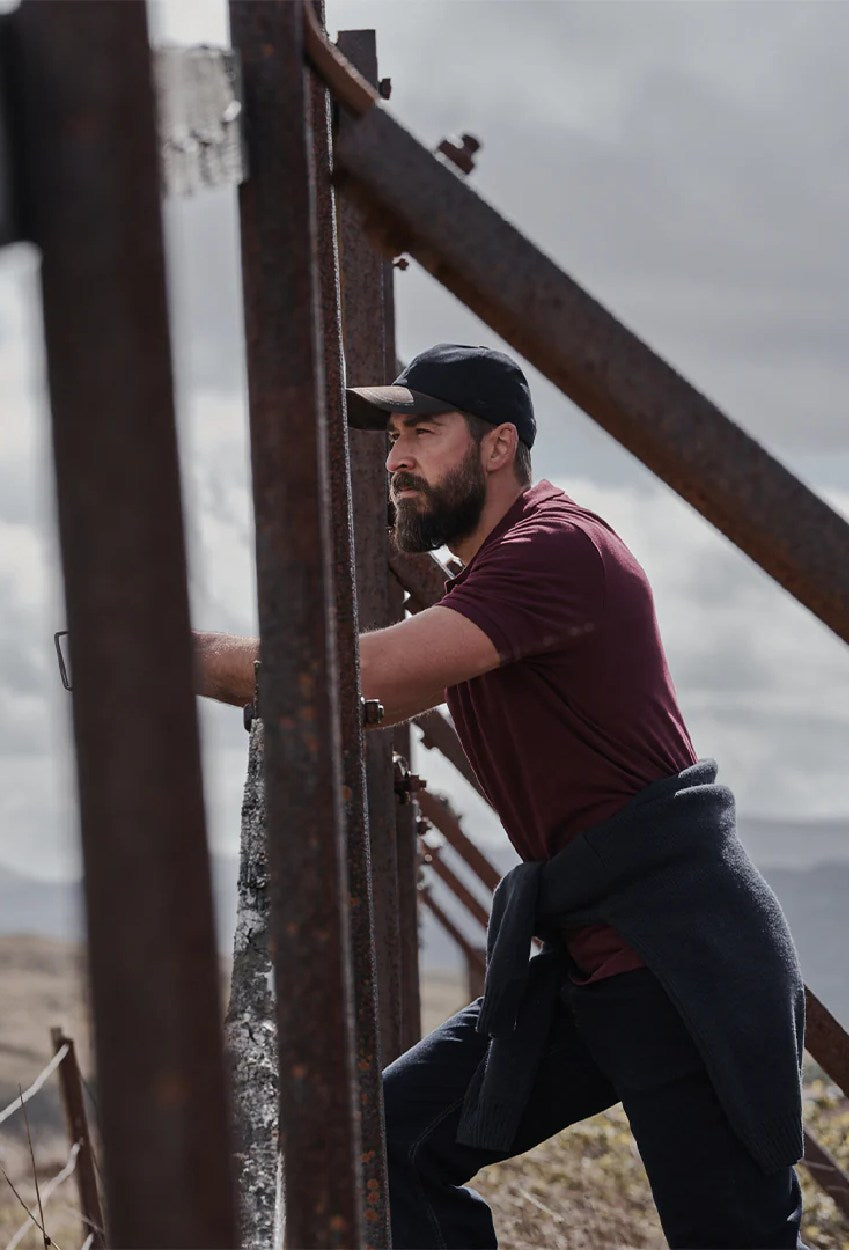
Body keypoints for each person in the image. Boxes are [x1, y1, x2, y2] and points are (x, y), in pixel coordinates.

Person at [195, 343, 807, 1249]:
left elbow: (356, 674)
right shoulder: (490, 580)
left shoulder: (554, 549)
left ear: (497, 445)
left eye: (424, 431)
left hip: (676, 956)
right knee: (389, 1147)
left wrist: (171, 651)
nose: (397, 457)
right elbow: (376, 698)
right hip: (585, 956)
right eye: (393, 436)